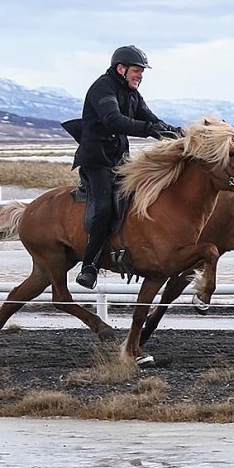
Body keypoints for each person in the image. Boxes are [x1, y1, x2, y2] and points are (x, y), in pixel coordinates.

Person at [69, 45, 183, 289]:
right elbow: (113, 120)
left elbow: (150, 119)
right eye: (136, 71)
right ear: (120, 69)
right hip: (96, 160)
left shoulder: (132, 94)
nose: (140, 76)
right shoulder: (103, 87)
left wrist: (177, 134)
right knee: (105, 206)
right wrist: (148, 130)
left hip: (118, 160)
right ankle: (90, 265)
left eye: (142, 72)